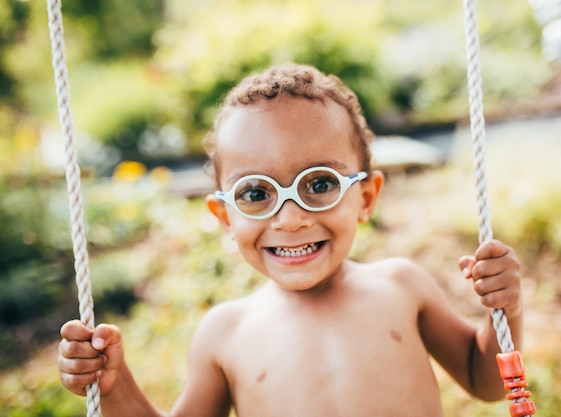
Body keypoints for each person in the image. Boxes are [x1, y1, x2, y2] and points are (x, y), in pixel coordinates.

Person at [57, 63, 524, 417]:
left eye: (319, 184)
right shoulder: (226, 333)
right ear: (224, 215)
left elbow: (486, 381)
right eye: (256, 193)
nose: (292, 218)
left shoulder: (402, 286)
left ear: (365, 197)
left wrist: (504, 310)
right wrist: (115, 388)